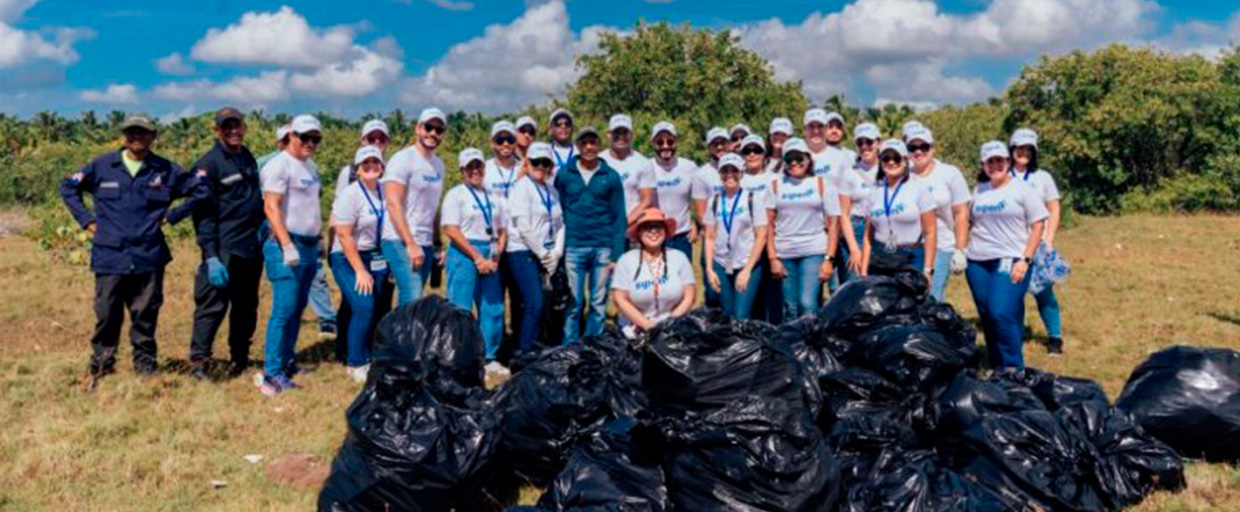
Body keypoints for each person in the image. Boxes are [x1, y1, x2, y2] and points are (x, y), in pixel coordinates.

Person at [60, 113, 201, 380]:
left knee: (145, 315)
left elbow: (201, 190)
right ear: (124, 136)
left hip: (148, 254)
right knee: (106, 314)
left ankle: (145, 368)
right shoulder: (102, 166)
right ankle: (102, 365)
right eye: (131, 132)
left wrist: (173, 215)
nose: (136, 137)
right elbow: (68, 187)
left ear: (153, 136)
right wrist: (87, 221)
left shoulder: (166, 170)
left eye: (143, 132)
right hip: (110, 254)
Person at [186, 107, 263, 380]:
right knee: (212, 306)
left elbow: (253, 196)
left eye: (237, 125)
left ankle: (239, 358)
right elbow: (202, 214)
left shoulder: (247, 157)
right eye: (226, 127)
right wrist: (210, 255)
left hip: (250, 247)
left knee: (246, 307)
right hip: (223, 249)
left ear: (244, 127)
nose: (233, 131)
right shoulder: (208, 165)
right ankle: (199, 363)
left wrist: (262, 223)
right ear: (217, 131)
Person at [966, 141, 1049, 371]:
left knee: (1001, 311)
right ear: (983, 165)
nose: (995, 165)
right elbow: (969, 222)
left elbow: (1038, 224)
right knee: (987, 314)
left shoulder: (1023, 189)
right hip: (977, 262)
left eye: (999, 160)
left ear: (1008, 162)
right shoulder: (979, 190)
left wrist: (1026, 259)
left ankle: (1013, 368)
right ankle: (996, 364)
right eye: (990, 161)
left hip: (1011, 259)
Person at [257, 114, 324, 395]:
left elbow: (310, 204)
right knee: (283, 310)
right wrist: (286, 245)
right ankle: (272, 372)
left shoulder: (309, 166)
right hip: (287, 246)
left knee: (297, 308)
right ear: (291, 136)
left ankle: (287, 361)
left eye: (315, 139)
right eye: (304, 137)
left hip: (309, 245)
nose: (309, 143)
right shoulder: (279, 165)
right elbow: (271, 207)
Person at [329, 118, 392, 363]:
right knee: (363, 305)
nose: (371, 165)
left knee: (375, 307)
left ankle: (370, 353)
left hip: (375, 254)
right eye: (365, 163)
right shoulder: (350, 193)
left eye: (375, 162)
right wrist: (359, 271)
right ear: (357, 168)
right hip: (348, 255)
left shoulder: (386, 190)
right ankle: (355, 361)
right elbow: (343, 234)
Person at [556, 126, 626, 345]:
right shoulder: (565, 174)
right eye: (584, 143)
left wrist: (616, 254)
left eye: (592, 142)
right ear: (578, 146)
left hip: (602, 247)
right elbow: (557, 210)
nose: (588, 147)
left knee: (598, 302)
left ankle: (593, 348)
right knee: (574, 303)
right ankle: (570, 347)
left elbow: (619, 217)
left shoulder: (611, 177)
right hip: (574, 245)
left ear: (599, 145)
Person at [442, 148, 508, 376]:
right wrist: (476, 257)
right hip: (464, 252)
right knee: (460, 307)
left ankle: (488, 357)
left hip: (489, 254)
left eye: (478, 165)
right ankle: (460, 356)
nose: (475, 171)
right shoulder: (456, 194)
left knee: (493, 308)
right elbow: (451, 229)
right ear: (462, 171)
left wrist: (496, 256)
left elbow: (502, 229)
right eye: (470, 167)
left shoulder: (494, 197)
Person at [766, 138, 841, 319]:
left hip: (813, 250)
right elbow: (768, 225)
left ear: (808, 159)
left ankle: (811, 344)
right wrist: (772, 258)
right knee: (790, 308)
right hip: (784, 253)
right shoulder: (775, 185)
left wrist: (829, 259)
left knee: (807, 304)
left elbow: (834, 225)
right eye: (789, 159)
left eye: (799, 158)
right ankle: (792, 346)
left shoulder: (822, 184)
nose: (794, 163)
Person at [382, 108, 447, 305]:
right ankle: (403, 336)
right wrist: (410, 243)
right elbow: (393, 204)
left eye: (439, 129)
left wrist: (437, 244)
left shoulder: (439, 166)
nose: (433, 133)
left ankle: (405, 335)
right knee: (412, 295)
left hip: (425, 242)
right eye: (429, 127)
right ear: (418, 128)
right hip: (399, 239)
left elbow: (433, 208)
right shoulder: (403, 159)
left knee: (414, 298)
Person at [506, 142, 564, 356]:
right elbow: (524, 227)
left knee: (548, 303)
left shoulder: (551, 190)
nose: (540, 166)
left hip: (546, 252)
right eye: (536, 162)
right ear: (527, 163)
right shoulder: (521, 188)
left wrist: (556, 252)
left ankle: (539, 344)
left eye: (545, 162)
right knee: (534, 303)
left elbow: (560, 224)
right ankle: (524, 351)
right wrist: (542, 253)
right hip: (523, 251)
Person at [1010, 128, 1065, 354]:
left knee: (1044, 293)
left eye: (1028, 149)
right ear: (1011, 149)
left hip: (1038, 245)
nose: (1023, 153)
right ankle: (1017, 335)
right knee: (1013, 294)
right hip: (1011, 245)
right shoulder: (1002, 175)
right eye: (1019, 148)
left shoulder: (1042, 177)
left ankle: (1054, 337)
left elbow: (1053, 207)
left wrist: (1049, 238)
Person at [906, 124, 970, 301]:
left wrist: (960, 249)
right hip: (910, 248)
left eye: (923, 147)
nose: (918, 152)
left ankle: (933, 328)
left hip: (942, 244)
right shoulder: (903, 175)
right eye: (913, 148)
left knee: (931, 296)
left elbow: (961, 213)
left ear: (933, 148)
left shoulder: (950, 173)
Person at [612, 208, 696, 339]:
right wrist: (647, 325)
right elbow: (619, 298)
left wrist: (669, 322)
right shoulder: (626, 260)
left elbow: (690, 296)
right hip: (635, 331)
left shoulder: (679, 257)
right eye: (647, 227)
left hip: (672, 330)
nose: (653, 231)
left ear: (665, 231)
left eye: (658, 227)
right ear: (639, 233)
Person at [859, 139, 937, 277]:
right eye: (886, 158)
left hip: (911, 257)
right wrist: (864, 270)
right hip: (880, 256)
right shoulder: (874, 190)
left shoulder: (919, 187)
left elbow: (930, 233)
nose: (891, 162)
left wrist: (928, 270)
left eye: (896, 158)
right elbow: (868, 236)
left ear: (906, 160)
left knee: (908, 299)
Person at [704, 154, 768, 319]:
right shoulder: (714, 201)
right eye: (725, 170)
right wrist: (710, 269)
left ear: (741, 173)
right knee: (728, 314)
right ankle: (731, 345)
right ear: (720, 174)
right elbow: (709, 237)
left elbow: (761, 236)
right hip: (721, 263)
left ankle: (747, 345)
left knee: (741, 315)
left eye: (734, 170)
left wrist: (747, 270)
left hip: (746, 263)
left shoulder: (753, 199)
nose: (729, 174)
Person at [738, 134, 783, 323]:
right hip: (748, 246)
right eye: (747, 151)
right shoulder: (738, 179)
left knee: (773, 295)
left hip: (773, 243)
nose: (752, 154)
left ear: (765, 154)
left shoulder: (776, 178)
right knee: (751, 295)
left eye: (756, 150)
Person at [837, 122, 881, 283]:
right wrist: (854, 248)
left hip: (881, 229)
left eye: (869, 142)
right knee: (854, 283)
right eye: (860, 143)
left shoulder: (889, 168)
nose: (865, 147)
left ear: (878, 143)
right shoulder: (849, 173)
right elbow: (844, 214)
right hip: (856, 228)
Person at [649, 121, 699, 260]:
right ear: (653, 143)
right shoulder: (646, 167)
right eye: (660, 142)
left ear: (676, 142)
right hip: (653, 234)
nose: (665, 146)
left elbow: (700, 199)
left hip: (682, 236)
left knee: (682, 280)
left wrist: (696, 224)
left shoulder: (689, 167)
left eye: (670, 141)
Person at [692, 126, 728, 307]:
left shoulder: (740, 169)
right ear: (709, 147)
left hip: (739, 241)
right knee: (714, 293)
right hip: (713, 240)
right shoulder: (701, 174)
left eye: (723, 143)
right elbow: (700, 213)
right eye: (715, 144)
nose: (719, 147)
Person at [599, 113, 656, 224]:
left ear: (631, 135)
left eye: (625, 133)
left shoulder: (643, 163)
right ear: (608, 135)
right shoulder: (598, 161)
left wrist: (626, 222)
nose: (621, 137)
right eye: (616, 133)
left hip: (634, 227)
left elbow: (647, 200)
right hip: (603, 227)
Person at [548, 108, 576, 173]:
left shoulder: (580, 153)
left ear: (572, 128)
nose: (563, 127)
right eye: (558, 124)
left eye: (567, 123)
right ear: (551, 128)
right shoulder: (546, 152)